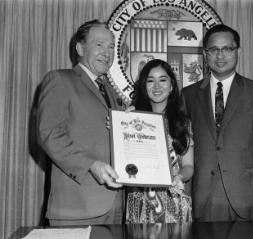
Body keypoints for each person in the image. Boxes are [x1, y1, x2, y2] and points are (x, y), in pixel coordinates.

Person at [181, 24, 253, 222]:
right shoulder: (189, 94)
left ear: (238, 51)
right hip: (203, 199)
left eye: (227, 49)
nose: (220, 56)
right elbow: (176, 137)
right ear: (205, 53)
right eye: (213, 50)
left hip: (247, 198)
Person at [37, 19, 124, 225]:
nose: (107, 52)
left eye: (111, 46)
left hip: (115, 207)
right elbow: (49, 134)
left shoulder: (111, 92)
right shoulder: (59, 79)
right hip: (76, 209)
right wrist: (90, 165)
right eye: (99, 44)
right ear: (80, 48)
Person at [125, 59, 194, 223]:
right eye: (150, 80)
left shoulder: (182, 122)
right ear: (144, 86)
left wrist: (179, 177)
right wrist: (119, 123)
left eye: (162, 80)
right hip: (140, 203)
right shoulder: (133, 118)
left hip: (174, 203)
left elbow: (189, 166)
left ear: (171, 86)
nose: (157, 86)